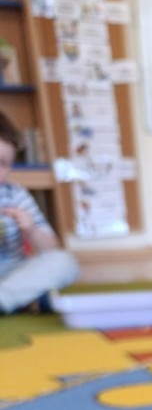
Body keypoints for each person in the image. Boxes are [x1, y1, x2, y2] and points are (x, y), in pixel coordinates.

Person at [0, 111, 78, 315]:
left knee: (65, 262)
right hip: (14, 285)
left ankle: (7, 299)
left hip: (14, 275)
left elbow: (51, 248)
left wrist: (32, 229)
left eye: (3, 163)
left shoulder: (16, 194)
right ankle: (24, 301)